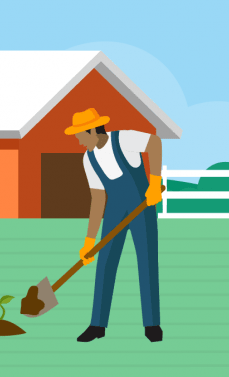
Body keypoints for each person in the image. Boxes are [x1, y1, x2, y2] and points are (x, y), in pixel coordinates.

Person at [65, 108, 164, 343]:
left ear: (91, 130)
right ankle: (97, 325)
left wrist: (155, 181)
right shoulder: (88, 159)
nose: (78, 141)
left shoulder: (124, 138)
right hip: (114, 211)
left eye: (80, 135)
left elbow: (155, 143)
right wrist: (89, 241)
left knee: (147, 261)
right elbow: (98, 198)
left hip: (142, 204)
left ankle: (152, 325)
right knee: (105, 262)